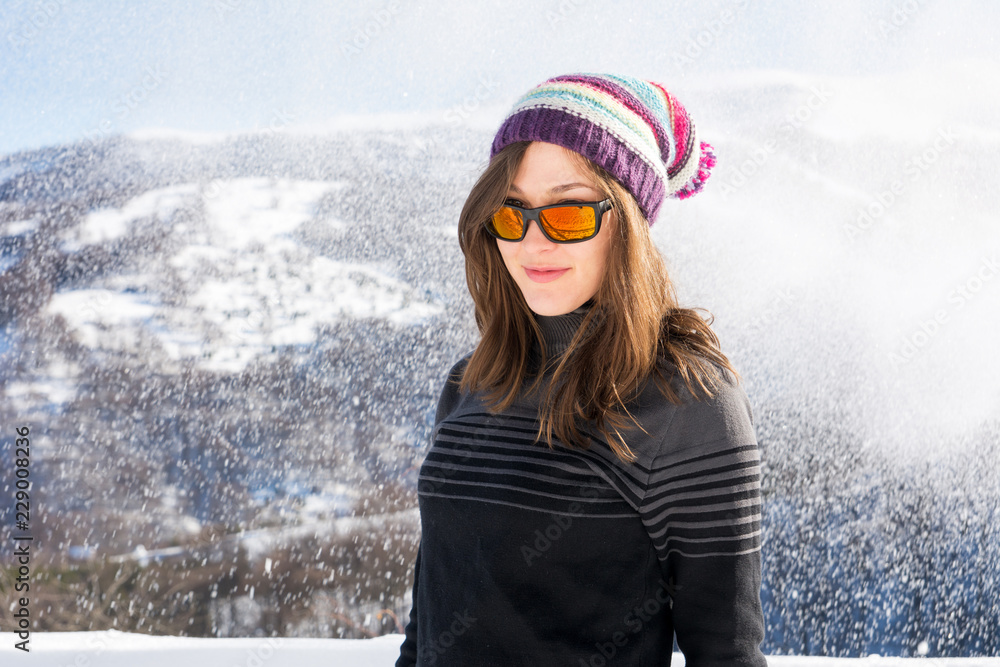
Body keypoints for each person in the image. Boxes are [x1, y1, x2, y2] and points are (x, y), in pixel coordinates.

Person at [396, 73, 766, 666]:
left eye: (568, 214)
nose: (532, 242)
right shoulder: (472, 381)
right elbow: (432, 611)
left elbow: (725, 653)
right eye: (511, 213)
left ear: (628, 226)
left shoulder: (687, 401)